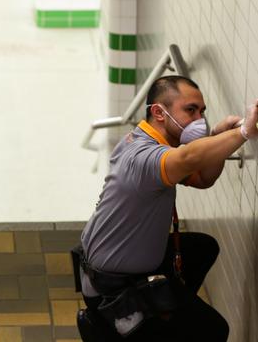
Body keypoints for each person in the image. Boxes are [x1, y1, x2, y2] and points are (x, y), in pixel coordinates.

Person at [77, 75, 258, 341]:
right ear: (159, 113)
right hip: (112, 289)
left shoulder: (145, 140)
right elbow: (188, 157)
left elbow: (202, 178)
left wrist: (219, 137)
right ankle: (130, 326)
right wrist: (243, 133)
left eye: (202, 111)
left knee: (201, 248)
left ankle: (167, 316)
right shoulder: (144, 158)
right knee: (213, 329)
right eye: (190, 110)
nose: (199, 119)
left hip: (115, 267)